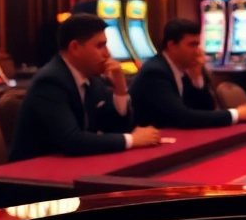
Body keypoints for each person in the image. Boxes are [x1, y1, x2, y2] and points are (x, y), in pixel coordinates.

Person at [9, 14, 161, 162]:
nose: (108, 53)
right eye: (100, 46)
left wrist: (120, 90)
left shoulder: (93, 80)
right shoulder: (50, 81)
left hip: (71, 167)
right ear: (75, 47)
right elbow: (72, 140)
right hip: (33, 176)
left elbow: (115, 130)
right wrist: (131, 140)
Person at [132, 18, 246, 129]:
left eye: (198, 44)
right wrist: (236, 114)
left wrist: (197, 77)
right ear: (171, 45)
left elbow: (206, 109)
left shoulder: (184, 67)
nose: (198, 51)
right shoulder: (155, 72)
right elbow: (183, 117)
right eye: (192, 45)